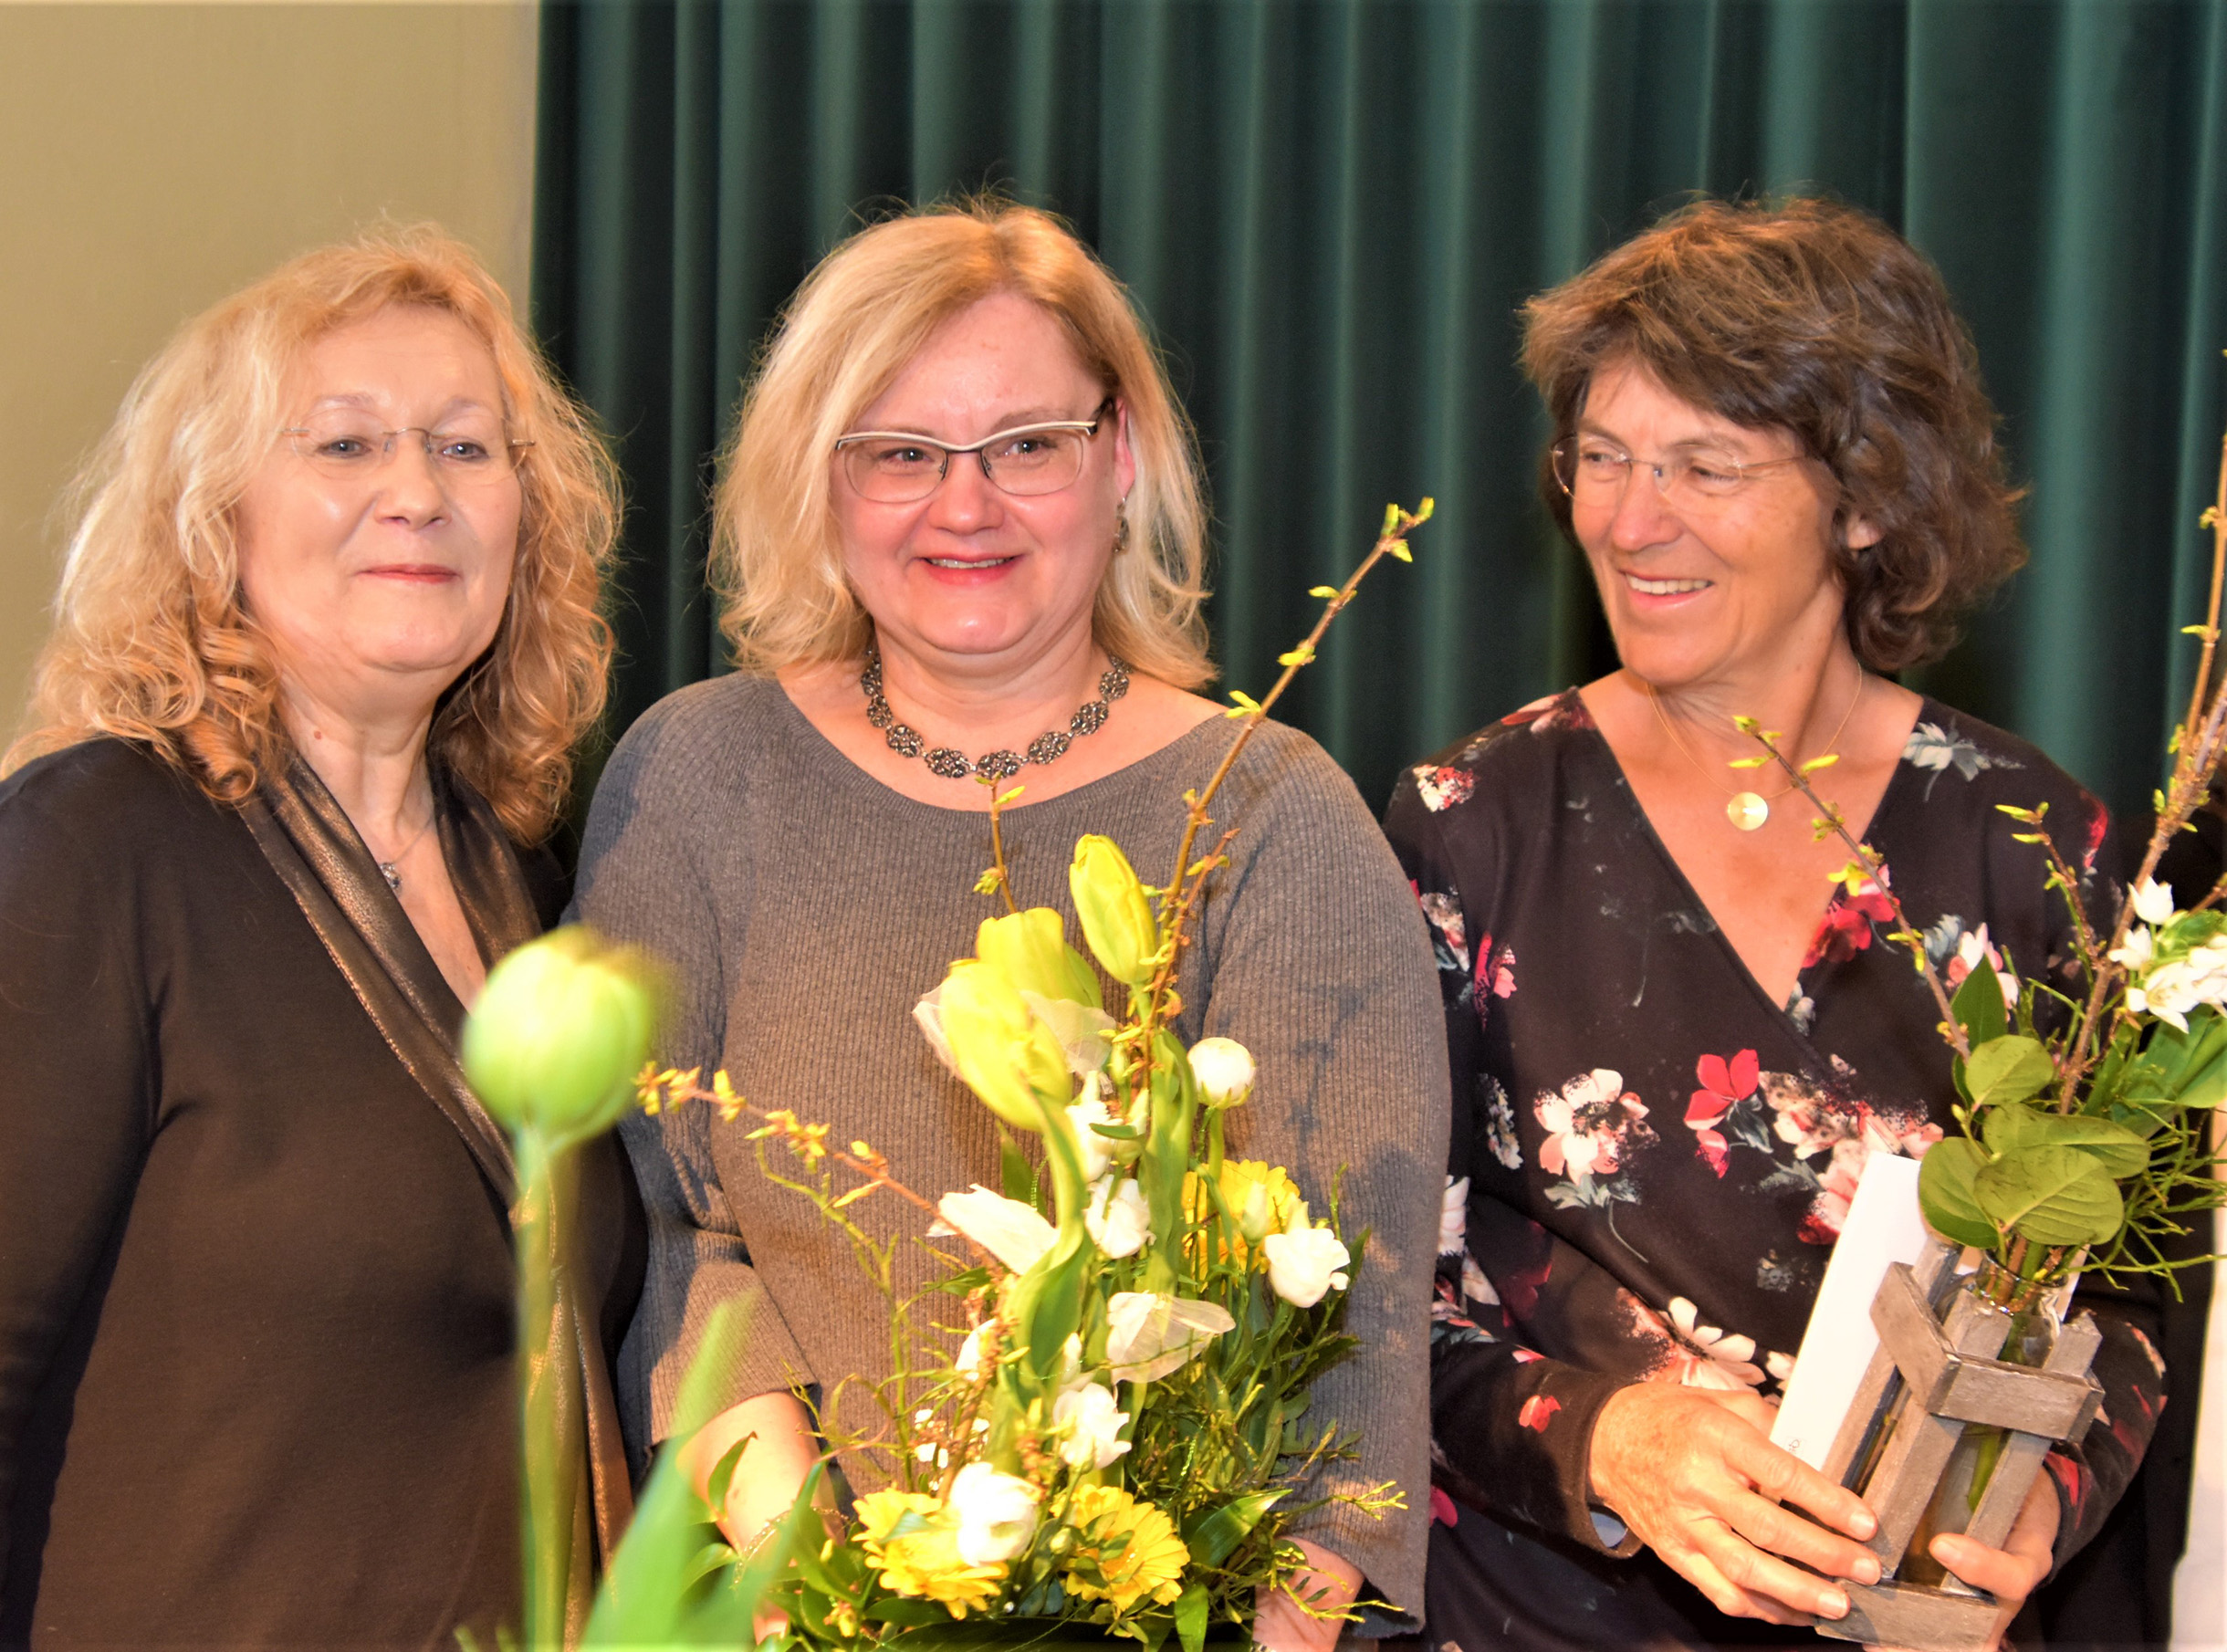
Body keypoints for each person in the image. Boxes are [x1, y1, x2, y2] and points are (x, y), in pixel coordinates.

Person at [572, 199, 1448, 1647]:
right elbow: (677, 1248)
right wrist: (830, 1613)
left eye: (1025, 446)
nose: (961, 506)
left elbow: (1357, 1331)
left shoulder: (1275, 812)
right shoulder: (694, 777)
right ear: (821, 481)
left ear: (1120, 459)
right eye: (900, 453)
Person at [1384, 199, 2165, 1650]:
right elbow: (1363, 1294)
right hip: (1543, 1615)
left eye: (1703, 466)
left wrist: (2048, 1487)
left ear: (1865, 499)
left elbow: (2131, 1286)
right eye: (1603, 458)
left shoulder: (2033, 844)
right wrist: (1608, 1441)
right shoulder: (1472, 821)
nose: (1627, 520)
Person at [0, 228, 642, 1649]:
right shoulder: (91, 846)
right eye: (344, 445)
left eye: (469, 450)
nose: (415, 493)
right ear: (209, 510)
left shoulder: (526, 890)